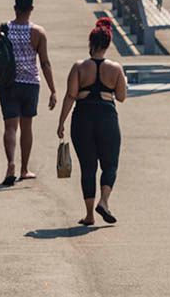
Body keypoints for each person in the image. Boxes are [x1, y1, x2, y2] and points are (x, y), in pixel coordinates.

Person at [57, 18, 126, 226]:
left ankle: (89, 215)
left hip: (82, 118)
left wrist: (61, 123)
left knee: (88, 167)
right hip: (106, 118)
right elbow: (121, 97)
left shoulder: (79, 67)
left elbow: (70, 95)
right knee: (110, 164)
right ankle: (104, 202)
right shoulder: (115, 68)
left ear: (91, 43)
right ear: (107, 44)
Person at [0, 0, 57, 186]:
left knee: (10, 127)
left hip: (8, 84)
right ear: (32, 9)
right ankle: (24, 169)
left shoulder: (2, 29)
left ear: (15, 8)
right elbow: (45, 63)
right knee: (27, 127)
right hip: (30, 84)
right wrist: (53, 90)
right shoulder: (38, 33)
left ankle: (10, 163)